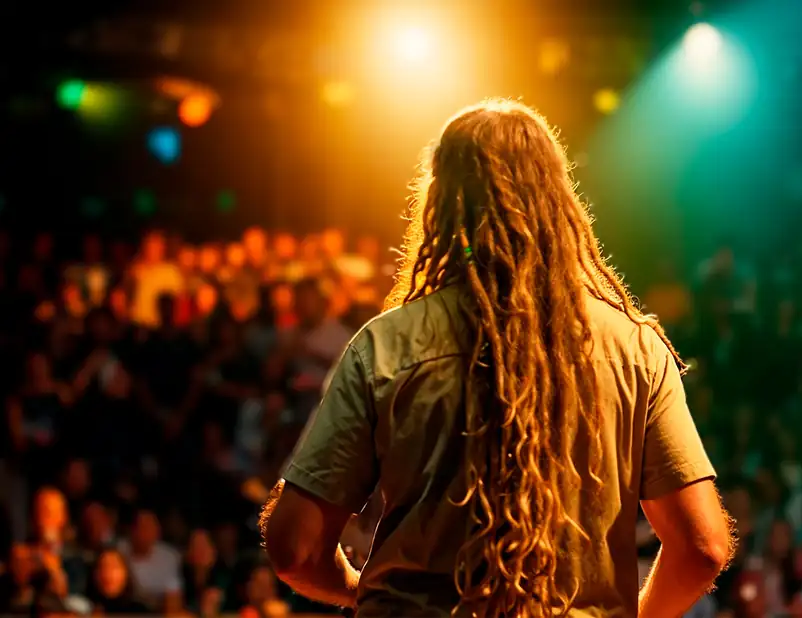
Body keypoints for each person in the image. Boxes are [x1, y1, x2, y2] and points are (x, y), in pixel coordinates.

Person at [260, 99, 733, 617]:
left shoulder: (386, 347)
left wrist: (364, 593)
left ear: (440, 203)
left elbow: (295, 547)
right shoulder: (636, 350)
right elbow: (702, 546)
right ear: (558, 198)